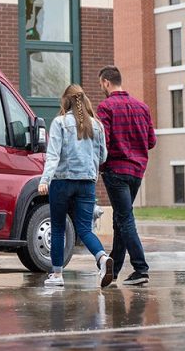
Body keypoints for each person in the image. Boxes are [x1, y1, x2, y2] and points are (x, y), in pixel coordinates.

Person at [39, 84, 113, 288]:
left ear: (66, 101)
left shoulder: (60, 123)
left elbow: (53, 156)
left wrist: (44, 181)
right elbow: (103, 156)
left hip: (62, 182)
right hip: (87, 184)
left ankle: (57, 275)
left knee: (58, 227)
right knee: (85, 229)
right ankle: (102, 259)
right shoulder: (97, 125)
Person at [97, 65, 156, 286]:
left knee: (124, 219)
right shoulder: (142, 107)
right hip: (137, 171)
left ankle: (141, 269)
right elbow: (151, 141)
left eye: (101, 84)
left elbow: (105, 142)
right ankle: (115, 270)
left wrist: (100, 165)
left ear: (105, 82)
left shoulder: (106, 107)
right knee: (120, 218)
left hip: (116, 171)